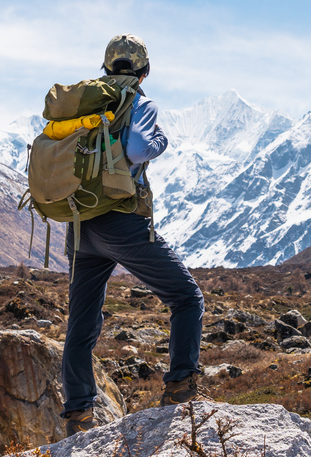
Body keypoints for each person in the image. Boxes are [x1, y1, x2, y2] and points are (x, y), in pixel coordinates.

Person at [59, 34, 205, 434]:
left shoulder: (86, 105)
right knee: (187, 297)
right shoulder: (140, 102)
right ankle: (180, 390)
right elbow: (139, 149)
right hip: (121, 221)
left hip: (80, 226)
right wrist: (161, 140)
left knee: (82, 323)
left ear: (105, 68)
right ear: (144, 72)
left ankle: (77, 414)